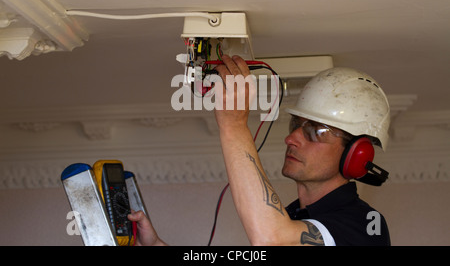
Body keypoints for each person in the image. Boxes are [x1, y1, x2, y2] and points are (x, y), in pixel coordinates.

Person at [128, 54, 391, 246]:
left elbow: (271, 238)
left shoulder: (367, 227)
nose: (291, 137)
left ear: (357, 155)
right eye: (296, 124)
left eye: (316, 131)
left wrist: (233, 124)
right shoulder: (289, 219)